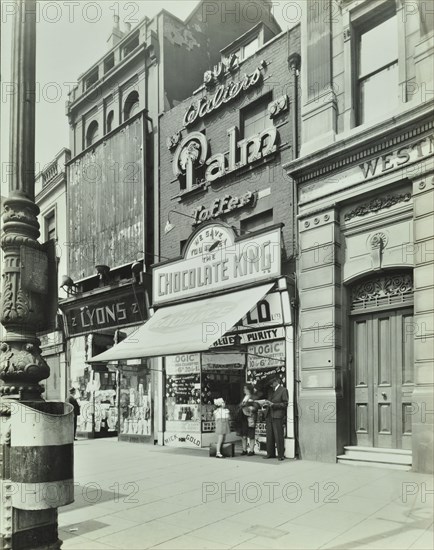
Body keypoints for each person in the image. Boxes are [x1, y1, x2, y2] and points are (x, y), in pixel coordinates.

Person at [263, 377, 289, 461]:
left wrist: (273, 405)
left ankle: (281, 455)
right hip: (269, 415)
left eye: (271, 384)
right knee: (269, 436)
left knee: (278, 436)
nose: (271, 386)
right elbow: (269, 401)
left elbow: (285, 404)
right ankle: (270, 453)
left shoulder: (283, 390)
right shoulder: (270, 391)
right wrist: (266, 404)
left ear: (276, 382)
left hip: (277, 415)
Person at [238, 384, 258, 456]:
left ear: (249, 389)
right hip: (243, 417)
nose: (244, 390)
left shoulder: (253, 397)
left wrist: (250, 408)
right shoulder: (245, 397)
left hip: (250, 417)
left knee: (251, 434)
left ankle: (252, 450)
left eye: (245, 389)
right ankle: (244, 450)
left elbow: (256, 407)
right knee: (243, 434)